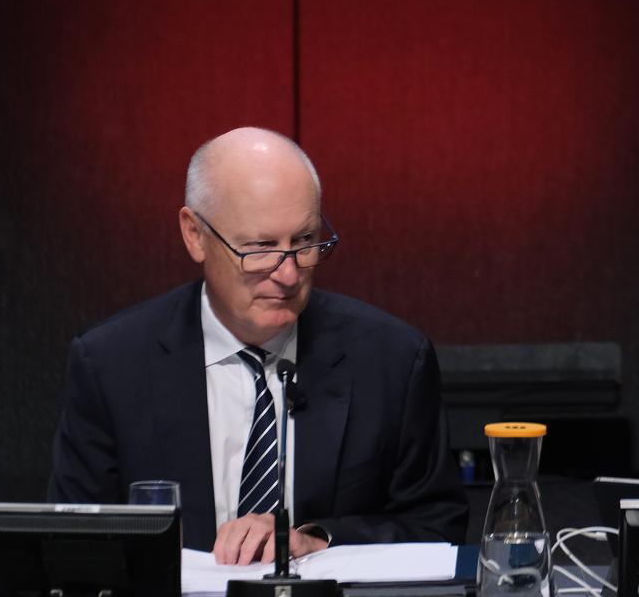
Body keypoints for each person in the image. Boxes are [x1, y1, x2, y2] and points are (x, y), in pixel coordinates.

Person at [48, 127, 468, 564]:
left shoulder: (393, 360)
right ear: (194, 234)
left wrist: (319, 540)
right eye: (260, 247)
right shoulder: (111, 365)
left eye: (305, 242)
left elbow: (438, 526)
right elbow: (75, 542)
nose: (288, 275)